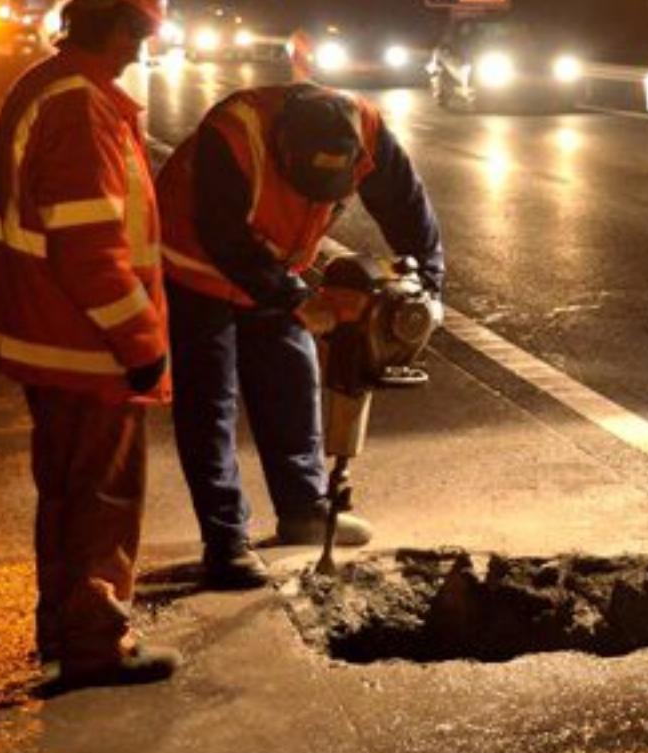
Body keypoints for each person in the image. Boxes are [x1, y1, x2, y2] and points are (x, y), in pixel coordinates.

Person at [0, 0, 179, 687]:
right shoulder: (81, 106)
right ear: (118, 28)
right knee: (102, 498)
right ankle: (93, 642)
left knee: (64, 491)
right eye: (141, 33)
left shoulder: (50, 85)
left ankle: (60, 624)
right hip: (86, 346)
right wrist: (140, 338)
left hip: (47, 335)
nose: (142, 48)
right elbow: (89, 245)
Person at [156, 83, 443, 589]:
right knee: (210, 401)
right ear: (284, 149)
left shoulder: (368, 131)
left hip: (276, 264)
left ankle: (303, 510)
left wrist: (430, 287)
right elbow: (224, 238)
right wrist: (298, 300)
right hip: (196, 263)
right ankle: (225, 542)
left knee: (292, 376)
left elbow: (405, 205)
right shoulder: (235, 135)